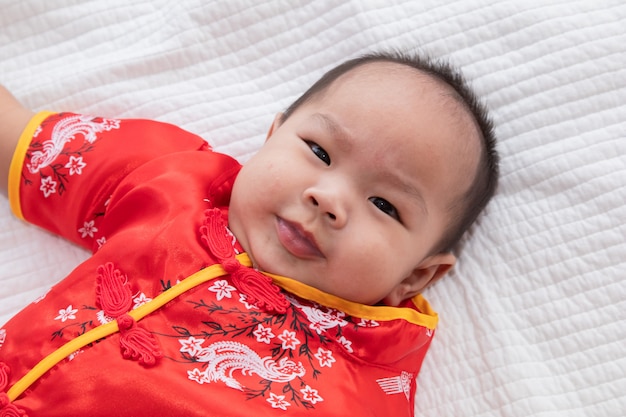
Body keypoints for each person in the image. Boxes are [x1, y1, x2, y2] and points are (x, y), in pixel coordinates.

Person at [0, 51, 498, 416]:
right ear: (271, 137)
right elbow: (22, 141)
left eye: (385, 205)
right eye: (320, 153)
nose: (328, 199)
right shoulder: (176, 182)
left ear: (417, 275)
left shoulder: (366, 389)